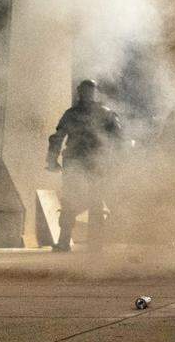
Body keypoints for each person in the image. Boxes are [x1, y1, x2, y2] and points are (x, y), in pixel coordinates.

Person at [46, 79, 123, 252]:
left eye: (90, 91)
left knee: (94, 202)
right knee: (74, 200)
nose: (88, 94)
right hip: (78, 161)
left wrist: (114, 160)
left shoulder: (104, 114)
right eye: (86, 91)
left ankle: (92, 243)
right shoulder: (73, 114)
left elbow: (118, 140)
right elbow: (57, 137)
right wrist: (51, 158)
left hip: (94, 162)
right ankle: (68, 241)